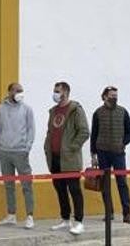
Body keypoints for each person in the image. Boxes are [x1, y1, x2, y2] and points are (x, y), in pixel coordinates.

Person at [44, 81, 88, 236]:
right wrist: (47, 147)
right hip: (55, 157)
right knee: (60, 189)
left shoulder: (75, 109)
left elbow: (84, 132)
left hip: (69, 158)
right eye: (54, 90)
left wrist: (71, 148)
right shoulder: (53, 111)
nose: (54, 93)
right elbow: (50, 131)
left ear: (66, 92)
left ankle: (79, 222)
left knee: (74, 189)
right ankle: (65, 219)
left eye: (57, 91)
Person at [90, 86, 130, 224]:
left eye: (116, 95)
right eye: (111, 95)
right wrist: (93, 154)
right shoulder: (97, 113)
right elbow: (94, 134)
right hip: (102, 152)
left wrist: (123, 143)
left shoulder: (123, 112)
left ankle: (127, 213)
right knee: (105, 184)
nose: (114, 97)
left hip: (118, 153)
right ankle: (108, 212)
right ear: (104, 96)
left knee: (122, 182)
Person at [0, 82, 36, 229]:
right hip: (4, 152)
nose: (20, 93)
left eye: (22, 90)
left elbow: (31, 129)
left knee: (27, 185)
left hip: (20, 151)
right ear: (10, 91)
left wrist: (27, 147)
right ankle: (11, 215)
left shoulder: (27, 109)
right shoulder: (1, 108)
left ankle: (30, 216)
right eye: (17, 90)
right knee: (8, 185)